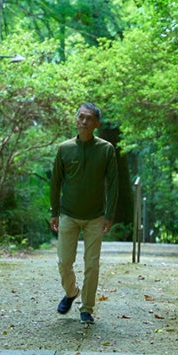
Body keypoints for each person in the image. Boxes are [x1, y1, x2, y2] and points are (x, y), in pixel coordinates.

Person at [49, 103, 118, 325]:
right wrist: (54, 212)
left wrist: (109, 214)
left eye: (89, 119)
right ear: (76, 120)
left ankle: (86, 308)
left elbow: (114, 184)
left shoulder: (106, 149)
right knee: (64, 262)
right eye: (81, 117)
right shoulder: (64, 148)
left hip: (95, 216)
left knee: (92, 264)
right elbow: (56, 182)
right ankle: (71, 292)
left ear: (96, 124)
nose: (84, 122)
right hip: (68, 213)